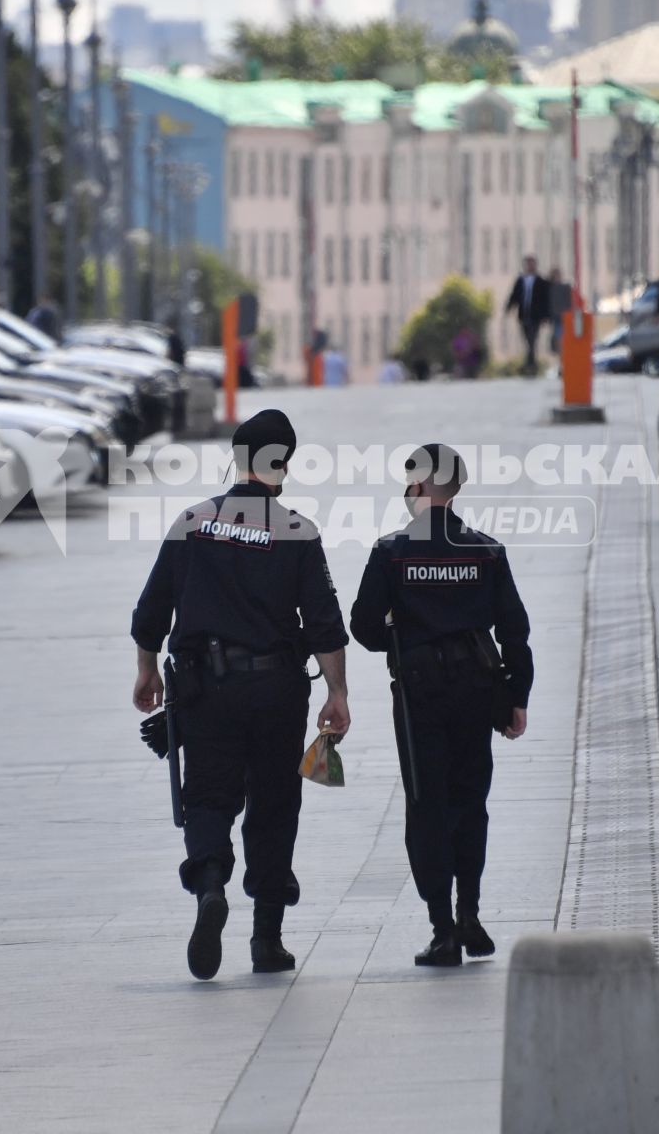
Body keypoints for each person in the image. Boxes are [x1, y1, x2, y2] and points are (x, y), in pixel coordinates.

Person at [131, 409, 351, 981]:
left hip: (205, 688)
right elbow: (325, 625)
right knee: (274, 804)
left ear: (237, 456)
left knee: (207, 795)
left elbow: (151, 609)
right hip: (276, 688)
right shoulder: (298, 531)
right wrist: (337, 694)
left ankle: (209, 886)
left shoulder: (192, 521)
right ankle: (266, 940)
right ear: (283, 464)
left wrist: (146, 671)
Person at [349, 444, 533, 967]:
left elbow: (363, 625)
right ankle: (470, 912)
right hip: (477, 689)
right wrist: (516, 696)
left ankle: (442, 928)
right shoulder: (487, 551)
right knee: (470, 801)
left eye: (410, 484)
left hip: (420, 691)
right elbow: (515, 630)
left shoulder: (391, 552)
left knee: (426, 803)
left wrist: (403, 637)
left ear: (427, 488)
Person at [503, 255, 551, 375]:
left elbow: (545, 300)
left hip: (536, 316)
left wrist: (546, 316)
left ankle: (530, 364)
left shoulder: (541, 281)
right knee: (527, 340)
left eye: (532, 263)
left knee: (532, 339)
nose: (530, 266)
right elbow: (514, 295)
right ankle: (531, 363)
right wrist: (509, 308)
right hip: (524, 314)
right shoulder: (520, 280)